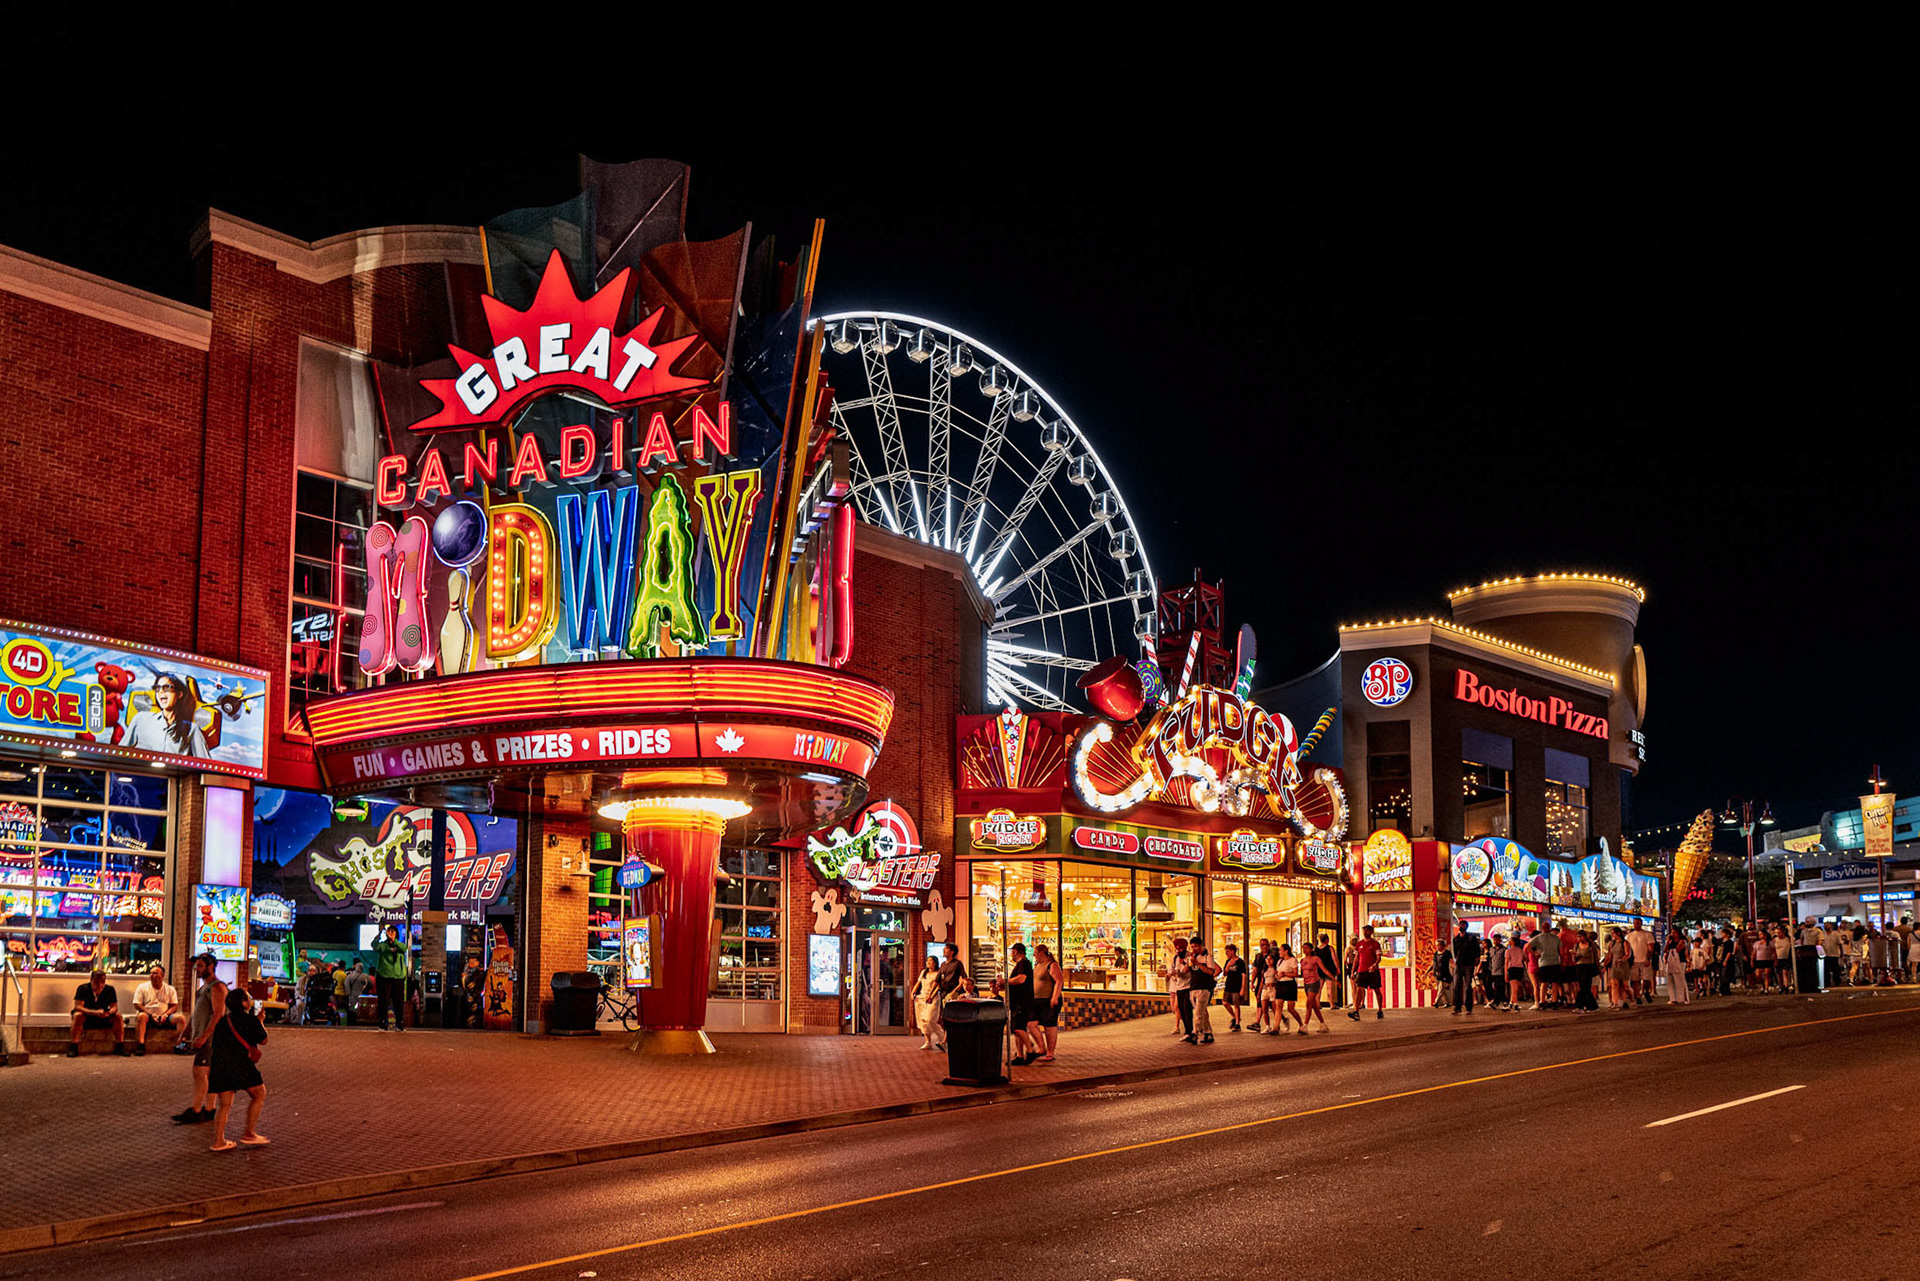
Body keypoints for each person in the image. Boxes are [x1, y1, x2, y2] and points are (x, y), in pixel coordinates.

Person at [205, 987, 269, 1151]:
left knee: (224, 1104)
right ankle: (249, 1132)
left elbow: (216, 1043)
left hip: (221, 1065)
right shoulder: (250, 1020)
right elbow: (263, 1040)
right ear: (243, 1003)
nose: (249, 1001)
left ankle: (218, 1141)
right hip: (242, 1065)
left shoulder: (223, 1021)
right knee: (259, 1093)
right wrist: (260, 1020)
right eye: (247, 998)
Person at [173, 953, 226, 1125]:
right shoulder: (205, 988)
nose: (197, 969)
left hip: (211, 1038)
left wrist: (204, 1036)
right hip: (205, 1036)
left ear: (211, 967)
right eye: (197, 965)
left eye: (201, 965)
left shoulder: (217, 987)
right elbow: (197, 1014)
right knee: (207, 1074)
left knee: (200, 1072)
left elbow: (218, 1014)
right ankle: (209, 1109)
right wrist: (186, 1033)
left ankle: (196, 1110)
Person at [119, 672, 209, 756]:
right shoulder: (141, 719)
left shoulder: (192, 729)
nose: (161, 692)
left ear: (179, 694)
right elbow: (120, 752)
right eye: (157, 688)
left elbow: (205, 763)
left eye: (167, 688)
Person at [69, 968, 127, 1057]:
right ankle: (74, 1045)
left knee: (118, 1017)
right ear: (91, 980)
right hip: (87, 1015)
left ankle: (120, 1044)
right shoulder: (83, 988)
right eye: (97, 982)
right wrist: (93, 1012)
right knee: (78, 1016)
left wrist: (109, 1012)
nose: (100, 985)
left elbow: (114, 1006)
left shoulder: (109, 990)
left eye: (102, 982)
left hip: (103, 1015)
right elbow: (78, 1006)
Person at [131, 964, 185, 1054]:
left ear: (162, 975)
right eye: (151, 973)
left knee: (181, 1018)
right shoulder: (142, 987)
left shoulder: (170, 989)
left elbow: (174, 1006)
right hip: (148, 1016)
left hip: (165, 1016)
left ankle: (180, 1045)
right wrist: (151, 1014)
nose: (152, 975)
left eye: (155, 973)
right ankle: (141, 1045)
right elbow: (137, 1004)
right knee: (141, 1016)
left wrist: (165, 1015)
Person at [1002, 942, 1037, 1064]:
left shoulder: (1024, 964)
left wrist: (1005, 981)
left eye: (1012, 952)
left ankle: (1030, 1049)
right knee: (1017, 1030)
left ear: (1015, 952)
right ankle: (1020, 1055)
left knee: (1018, 1029)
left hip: (1022, 1002)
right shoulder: (1021, 964)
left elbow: (1021, 979)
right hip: (1018, 1002)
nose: (1011, 954)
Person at [1030, 942, 1065, 1061]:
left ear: (1041, 953)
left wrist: (1054, 997)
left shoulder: (1052, 965)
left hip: (1048, 999)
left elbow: (1059, 981)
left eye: (1035, 953)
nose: (1034, 956)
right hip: (1037, 1000)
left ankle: (1050, 1052)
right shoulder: (1037, 965)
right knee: (1031, 1024)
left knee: (1049, 1026)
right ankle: (1041, 1047)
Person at [373, 924, 408, 1031]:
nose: (391, 933)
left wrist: (394, 941)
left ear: (396, 933)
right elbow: (374, 946)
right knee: (384, 1001)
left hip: (398, 977)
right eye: (389, 931)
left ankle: (399, 1024)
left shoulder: (400, 945)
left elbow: (404, 948)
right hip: (384, 977)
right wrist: (379, 934)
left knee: (399, 1001)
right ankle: (382, 1023)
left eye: (393, 931)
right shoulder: (383, 946)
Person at [1185, 937, 1219, 1044]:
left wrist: (1198, 963)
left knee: (1198, 1012)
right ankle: (1208, 1032)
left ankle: (1195, 1032)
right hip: (1193, 987)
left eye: (1195, 946)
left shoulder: (1207, 957)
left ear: (1200, 946)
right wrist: (1187, 962)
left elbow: (1210, 971)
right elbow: (1187, 970)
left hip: (1204, 988)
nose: (1194, 949)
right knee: (1202, 1011)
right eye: (1192, 947)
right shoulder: (1193, 957)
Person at [1348, 925, 1384, 1021]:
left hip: (1372, 971)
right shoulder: (1359, 944)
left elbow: (1378, 957)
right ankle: (1356, 1011)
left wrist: (1375, 964)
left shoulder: (1375, 944)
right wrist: (1353, 971)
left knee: (1376, 990)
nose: (1365, 932)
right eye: (1364, 930)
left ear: (1371, 932)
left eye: (1367, 930)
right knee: (1359, 990)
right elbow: (1356, 958)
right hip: (1361, 970)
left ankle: (1380, 1010)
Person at [911, 955, 943, 1051]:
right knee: (922, 1021)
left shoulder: (938, 974)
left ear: (935, 963)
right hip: (921, 997)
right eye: (927, 961)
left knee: (930, 1019)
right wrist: (913, 992)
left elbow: (937, 986)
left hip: (932, 998)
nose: (928, 963)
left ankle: (942, 1039)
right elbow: (918, 983)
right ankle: (927, 1041)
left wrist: (931, 996)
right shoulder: (924, 973)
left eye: (930, 961)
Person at [1271, 944, 1304, 1034]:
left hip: (1289, 984)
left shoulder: (1292, 960)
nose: (1279, 952)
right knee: (1278, 1006)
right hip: (1281, 984)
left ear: (1286, 951)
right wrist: (1277, 975)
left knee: (1291, 1008)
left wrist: (1285, 974)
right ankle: (1276, 1027)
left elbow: (1296, 974)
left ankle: (1301, 1024)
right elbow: (1277, 973)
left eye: (1281, 950)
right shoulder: (1280, 961)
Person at [1527, 922, 1561, 1009]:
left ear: (1542, 928)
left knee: (1543, 983)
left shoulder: (1538, 938)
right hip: (1555, 962)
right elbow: (1561, 949)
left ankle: (1542, 1001)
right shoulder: (1555, 938)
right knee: (1554, 983)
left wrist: (1535, 953)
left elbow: (1528, 946)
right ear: (1549, 928)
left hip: (1543, 962)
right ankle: (1554, 1001)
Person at [1449, 922, 1480, 1015]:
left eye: (1463, 925)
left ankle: (1468, 1007)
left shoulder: (1471, 938)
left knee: (1468, 986)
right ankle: (1457, 1007)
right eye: (1460, 925)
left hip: (1468, 964)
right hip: (1459, 964)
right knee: (1456, 986)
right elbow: (1454, 951)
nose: (1461, 926)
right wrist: (1454, 963)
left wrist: (1475, 962)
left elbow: (1477, 951)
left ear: (1466, 927)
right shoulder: (1456, 939)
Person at [1298, 944, 1330, 1032]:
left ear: (1311, 949)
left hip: (1314, 982)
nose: (1304, 950)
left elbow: (1324, 969)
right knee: (1314, 1005)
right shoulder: (1302, 960)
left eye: (1306, 948)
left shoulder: (1315, 959)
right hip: (1306, 983)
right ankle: (1323, 1024)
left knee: (1309, 1003)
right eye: (1303, 948)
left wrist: (1334, 979)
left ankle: (1305, 1025)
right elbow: (1301, 973)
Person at [1166, 937, 1193, 1038]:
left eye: (1181, 948)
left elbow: (1187, 970)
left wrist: (1180, 970)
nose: (1179, 951)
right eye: (1177, 949)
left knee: (1186, 1008)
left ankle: (1189, 1031)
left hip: (1188, 986)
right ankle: (1188, 1029)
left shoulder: (1189, 957)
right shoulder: (1175, 958)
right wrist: (1170, 974)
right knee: (1180, 1009)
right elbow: (1171, 969)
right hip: (1178, 986)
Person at [1624, 918, 1655, 1004]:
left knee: (1646, 978)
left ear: (1641, 924)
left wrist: (1648, 959)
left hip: (1644, 959)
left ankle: (1645, 991)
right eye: (1634, 923)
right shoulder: (1629, 936)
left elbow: (1650, 948)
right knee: (1635, 979)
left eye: (1637, 923)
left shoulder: (1647, 934)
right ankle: (1637, 995)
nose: (1636, 925)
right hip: (1634, 960)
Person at [1219, 943, 1249, 1032]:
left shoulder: (1240, 962)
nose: (1226, 953)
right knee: (1225, 1003)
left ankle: (1237, 1023)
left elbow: (1243, 975)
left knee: (1236, 1005)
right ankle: (1234, 1016)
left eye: (1227, 952)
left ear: (1232, 951)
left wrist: (1243, 988)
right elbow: (1224, 973)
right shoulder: (1227, 961)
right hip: (1228, 985)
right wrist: (1228, 966)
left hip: (1237, 986)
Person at [1661, 926, 1691, 1003]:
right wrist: (1668, 941)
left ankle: (1682, 998)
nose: (1673, 934)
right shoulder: (1670, 941)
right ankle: (1673, 998)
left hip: (1679, 961)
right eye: (1672, 932)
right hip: (1670, 961)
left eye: (1674, 932)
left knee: (1679, 980)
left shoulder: (1682, 941)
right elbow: (1665, 950)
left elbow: (1678, 949)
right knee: (1670, 980)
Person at [1605, 929, 1632, 1009]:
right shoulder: (1612, 943)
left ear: (1618, 933)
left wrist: (1621, 959)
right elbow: (1610, 954)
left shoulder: (1625, 943)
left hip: (1623, 966)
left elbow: (1627, 954)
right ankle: (1615, 1002)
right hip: (1614, 966)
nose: (1612, 935)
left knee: (1625, 986)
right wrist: (1606, 964)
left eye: (1613, 933)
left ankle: (1631, 999)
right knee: (1614, 985)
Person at [1503, 931, 1530, 1011]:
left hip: (1512, 968)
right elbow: (1526, 959)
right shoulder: (1520, 950)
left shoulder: (1508, 951)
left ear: (1513, 942)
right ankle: (1511, 1003)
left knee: (1513, 987)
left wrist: (1505, 974)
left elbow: (1506, 963)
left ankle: (1515, 1003)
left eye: (1510, 940)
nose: (1509, 941)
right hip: (1520, 968)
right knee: (1516, 987)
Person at [1313, 934, 1340, 1009]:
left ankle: (1318, 1004)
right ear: (1326, 940)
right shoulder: (1329, 948)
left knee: (1319, 988)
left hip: (1319, 970)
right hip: (1329, 970)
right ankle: (1331, 1004)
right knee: (1329, 988)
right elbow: (1334, 959)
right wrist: (1337, 968)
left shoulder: (1316, 949)